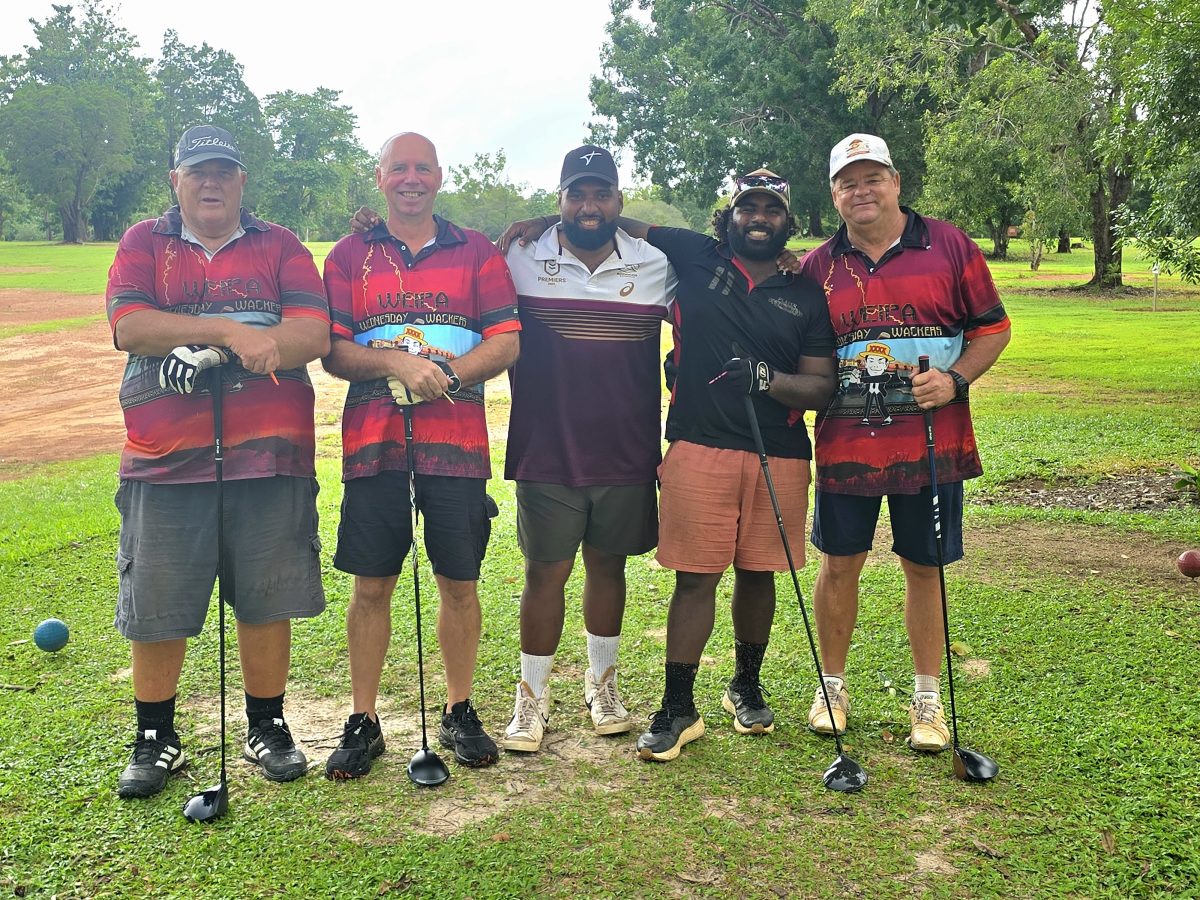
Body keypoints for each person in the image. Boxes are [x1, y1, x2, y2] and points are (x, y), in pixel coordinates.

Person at [504, 167, 836, 762]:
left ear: (788, 219)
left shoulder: (804, 287)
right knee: (693, 576)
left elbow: (821, 385)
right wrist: (541, 221)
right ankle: (672, 705)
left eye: (771, 210)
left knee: (757, 572)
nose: (758, 218)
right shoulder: (691, 255)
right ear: (729, 214)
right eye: (746, 208)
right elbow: (618, 219)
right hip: (690, 444)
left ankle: (742, 684)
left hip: (772, 449)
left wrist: (769, 380)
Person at [106, 124, 331, 800]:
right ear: (175, 180)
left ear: (241, 181)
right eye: (198, 172)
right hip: (164, 460)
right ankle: (156, 735)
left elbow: (311, 333)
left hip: (269, 457)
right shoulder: (145, 242)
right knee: (158, 601)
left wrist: (224, 348)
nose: (212, 183)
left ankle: (267, 723)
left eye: (224, 172)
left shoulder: (280, 245)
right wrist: (229, 329)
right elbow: (131, 326)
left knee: (267, 599)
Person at [797, 133, 1011, 753]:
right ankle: (832, 687)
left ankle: (927, 700)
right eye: (847, 182)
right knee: (840, 564)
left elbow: (993, 328)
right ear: (834, 194)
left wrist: (956, 379)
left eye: (872, 178)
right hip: (846, 443)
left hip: (932, 443)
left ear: (895, 182)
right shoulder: (817, 266)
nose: (860, 191)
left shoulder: (948, 245)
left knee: (925, 566)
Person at [321, 132, 520, 777]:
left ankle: (459, 709)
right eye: (399, 168)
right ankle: (364, 717)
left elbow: (507, 340)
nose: (411, 179)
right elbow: (335, 350)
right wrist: (399, 365)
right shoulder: (351, 255)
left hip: (456, 443)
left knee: (458, 582)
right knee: (372, 581)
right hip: (374, 442)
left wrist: (447, 376)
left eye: (423, 169)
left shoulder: (477, 252)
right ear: (380, 178)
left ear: (439, 177)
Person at [497, 145, 677, 752]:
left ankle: (602, 685)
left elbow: (721, 269)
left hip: (626, 451)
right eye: (578, 194)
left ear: (619, 202)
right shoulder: (521, 257)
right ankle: (531, 698)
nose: (589, 205)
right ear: (561, 201)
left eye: (601, 194)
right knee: (543, 573)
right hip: (547, 449)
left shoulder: (656, 265)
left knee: (608, 568)